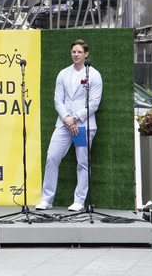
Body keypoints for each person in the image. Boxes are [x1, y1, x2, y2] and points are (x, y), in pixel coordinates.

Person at [36, 39, 103, 212]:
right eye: (73, 51)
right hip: (64, 124)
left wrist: (75, 118)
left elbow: (94, 103)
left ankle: (79, 201)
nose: (76, 54)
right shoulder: (63, 74)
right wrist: (66, 118)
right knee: (52, 157)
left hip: (83, 126)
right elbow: (58, 99)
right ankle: (47, 199)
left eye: (79, 52)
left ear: (86, 54)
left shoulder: (93, 75)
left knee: (82, 162)